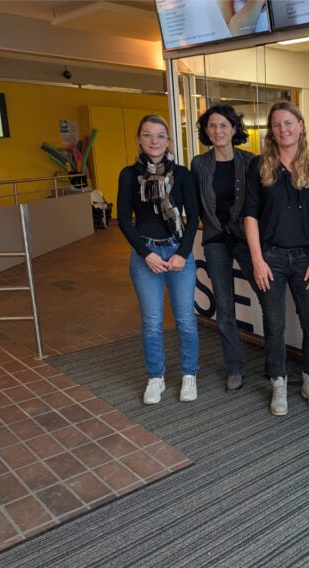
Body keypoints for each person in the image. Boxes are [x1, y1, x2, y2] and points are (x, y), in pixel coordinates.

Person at [243, 101, 309, 416]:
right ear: (271, 131)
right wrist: (257, 260)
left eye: (289, 122)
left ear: (301, 125)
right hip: (271, 258)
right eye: (277, 124)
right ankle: (278, 384)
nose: (283, 129)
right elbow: (250, 216)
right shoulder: (259, 165)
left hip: (306, 259)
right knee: (274, 325)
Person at [117, 114, 201, 405]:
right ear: (139, 139)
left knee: (185, 320)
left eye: (160, 136)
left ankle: (189, 374)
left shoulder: (183, 174)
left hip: (178, 253)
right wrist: (147, 254)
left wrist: (182, 253)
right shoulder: (129, 175)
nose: (154, 141)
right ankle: (156, 377)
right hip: (146, 255)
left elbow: (193, 218)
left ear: (168, 141)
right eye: (148, 135)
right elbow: (124, 219)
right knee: (152, 321)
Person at [192, 104, 257, 392]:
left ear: (233, 129)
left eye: (223, 125)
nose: (218, 131)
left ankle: (275, 365)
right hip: (216, 239)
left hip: (245, 239)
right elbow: (196, 203)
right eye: (212, 126)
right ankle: (235, 368)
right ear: (206, 131)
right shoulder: (199, 164)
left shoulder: (250, 161)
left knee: (268, 297)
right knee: (225, 305)